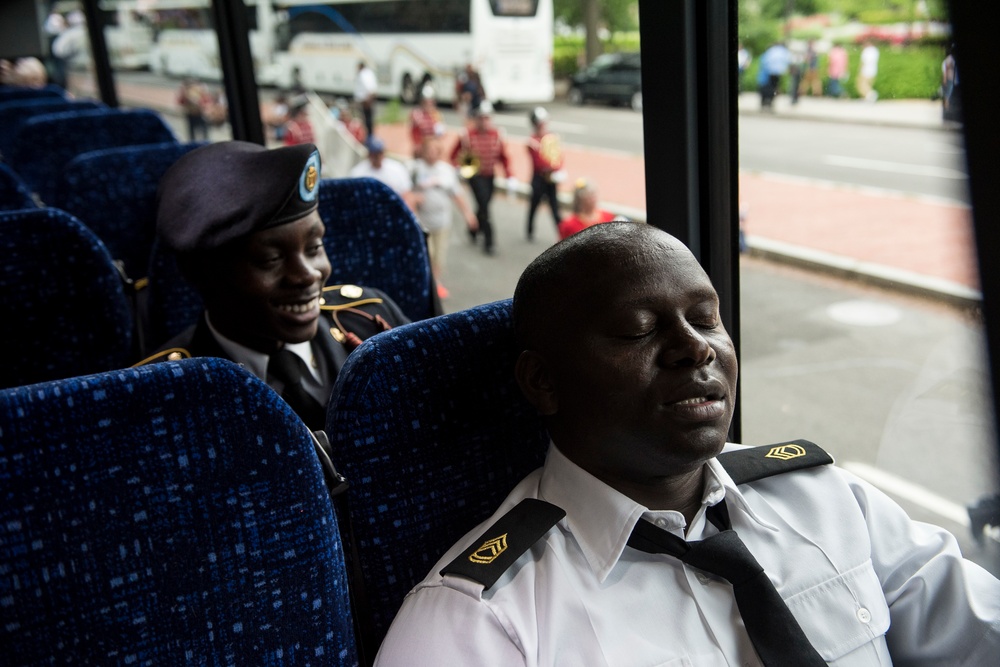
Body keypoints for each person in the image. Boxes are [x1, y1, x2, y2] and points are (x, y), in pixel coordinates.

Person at [374, 221, 1000, 666]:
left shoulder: (826, 500)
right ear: (543, 381)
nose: (696, 348)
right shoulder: (484, 621)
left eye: (705, 320)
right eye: (636, 330)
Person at [145, 141, 409, 431]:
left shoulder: (371, 322)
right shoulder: (163, 397)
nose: (308, 275)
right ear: (200, 274)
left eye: (314, 247)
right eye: (270, 259)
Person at [412, 134, 478, 299]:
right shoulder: (414, 168)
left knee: (439, 258)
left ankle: (435, 284)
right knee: (427, 255)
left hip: (442, 223)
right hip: (421, 223)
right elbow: (406, 192)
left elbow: (457, 195)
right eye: (429, 149)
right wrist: (414, 199)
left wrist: (468, 215)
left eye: (435, 150)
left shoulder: (446, 170)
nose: (432, 153)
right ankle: (426, 284)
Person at [449, 101, 512, 255]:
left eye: (487, 118)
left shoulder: (497, 135)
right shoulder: (467, 135)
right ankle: (489, 241)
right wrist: (458, 167)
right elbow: (453, 155)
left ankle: (473, 229)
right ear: (476, 119)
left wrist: (510, 175)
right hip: (475, 177)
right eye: (481, 118)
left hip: (490, 176)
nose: (484, 121)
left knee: (482, 207)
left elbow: (504, 157)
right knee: (484, 206)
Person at [525, 107, 564, 241]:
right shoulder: (533, 140)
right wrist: (552, 168)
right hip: (539, 179)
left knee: (554, 207)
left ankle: (563, 234)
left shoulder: (551, 137)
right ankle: (529, 230)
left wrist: (559, 169)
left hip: (551, 179)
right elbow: (538, 162)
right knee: (534, 205)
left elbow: (558, 156)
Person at [349, 136, 416, 210]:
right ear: (369, 154)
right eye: (374, 154)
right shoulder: (358, 173)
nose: (377, 157)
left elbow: (407, 195)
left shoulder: (397, 169)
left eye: (379, 153)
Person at [409, 84, 443, 159]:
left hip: (432, 147)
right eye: (426, 101)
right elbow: (414, 132)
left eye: (431, 101)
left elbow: (440, 133)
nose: (429, 104)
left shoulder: (436, 114)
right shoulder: (416, 113)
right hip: (421, 147)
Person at [177, 77, 211, 142]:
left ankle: (205, 143)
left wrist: (200, 104)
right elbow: (180, 102)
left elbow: (207, 101)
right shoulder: (185, 91)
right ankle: (194, 144)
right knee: (192, 132)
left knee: (203, 131)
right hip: (191, 114)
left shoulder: (201, 90)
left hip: (200, 113)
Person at [758, 41, 790, 110]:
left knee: (769, 86)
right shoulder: (783, 51)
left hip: (770, 71)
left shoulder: (771, 50)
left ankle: (766, 101)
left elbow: (765, 61)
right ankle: (770, 101)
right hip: (778, 72)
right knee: (774, 87)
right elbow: (788, 60)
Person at [354, 60, 377, 138]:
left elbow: (368, 86)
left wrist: (368, 98)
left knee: (365, 119)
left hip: (365, 99)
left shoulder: (363, 74)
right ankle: (369, 135)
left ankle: (367, 136)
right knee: (369, 118)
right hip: (368, 98)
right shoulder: (369, 73)